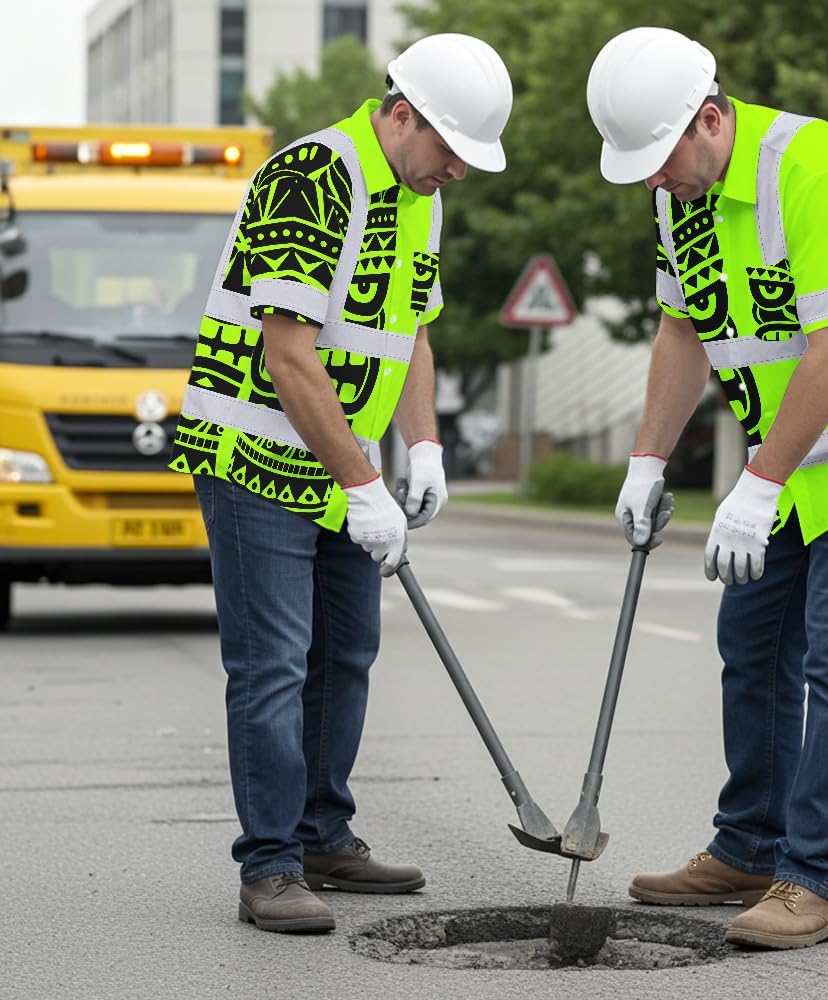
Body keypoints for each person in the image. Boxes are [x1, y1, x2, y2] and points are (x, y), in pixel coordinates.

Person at [587, 26, 828, 949]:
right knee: (754, 643)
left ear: (712, 120)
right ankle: (750, 847)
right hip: (797, 462)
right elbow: (683, 331)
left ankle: (816, 882)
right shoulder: (678, 196)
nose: (654, 180)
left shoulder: (820, 169)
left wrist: (757, 483)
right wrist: (650, 458)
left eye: (660, 159)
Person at [168, 33, 513, 933]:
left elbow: (412, 338)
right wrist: (368, 485)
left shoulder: (420, 196)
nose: (460, 173)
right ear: (403, 116)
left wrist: (425, 447)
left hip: (336, 469)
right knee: (274, 664)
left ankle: (323, 834)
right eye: (453, 151)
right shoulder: (310, 178)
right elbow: (289, 357)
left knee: (345, 657)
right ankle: (271, 866)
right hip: (257, 463)